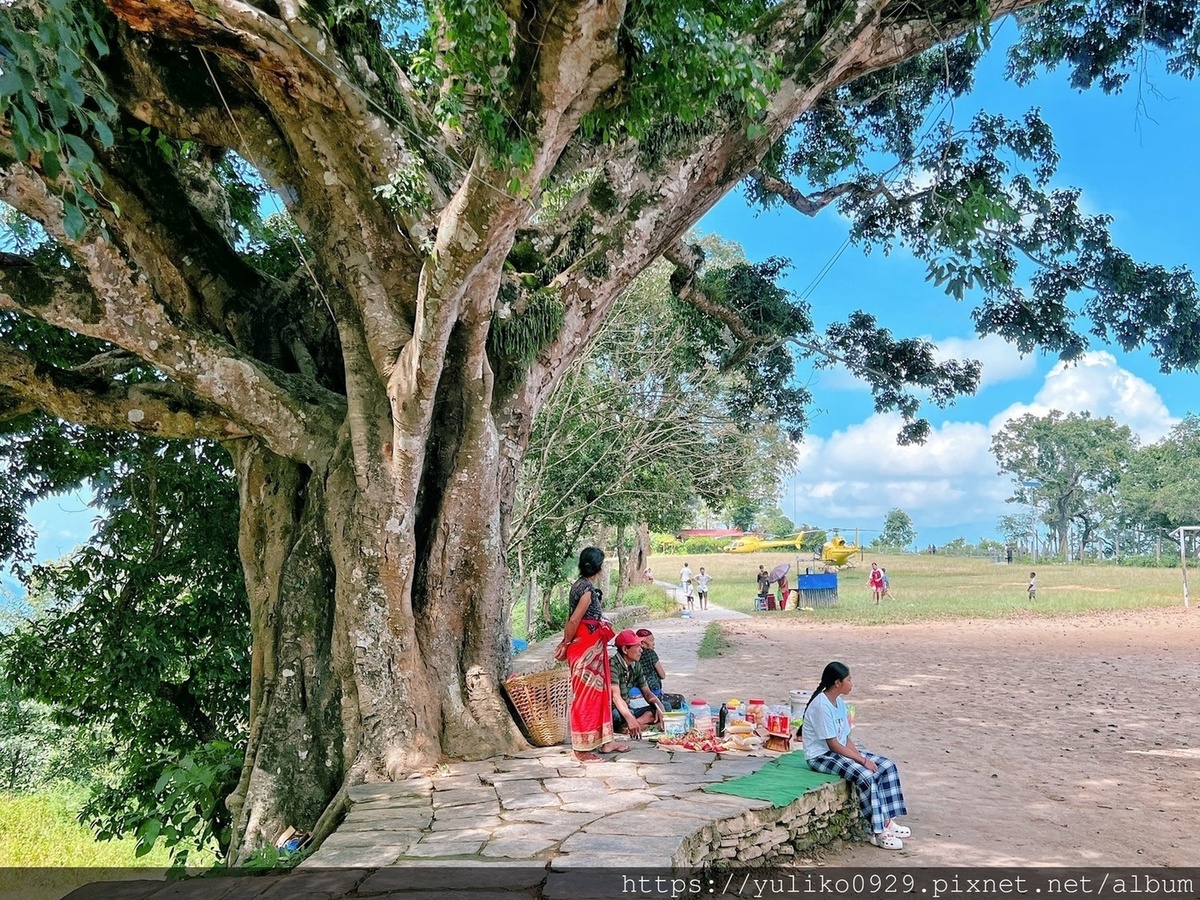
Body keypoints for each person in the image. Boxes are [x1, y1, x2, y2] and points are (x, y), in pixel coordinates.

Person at [802, 662, 910, 850]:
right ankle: (878, 832)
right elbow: (833, 744)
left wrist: (861, 756)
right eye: (849, 680)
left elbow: (845, 737)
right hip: (821, 756)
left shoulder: (840, 703)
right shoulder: (821, 706)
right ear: (837, 683)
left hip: (838, 750)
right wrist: (861, 761)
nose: (852, 683)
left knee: (887, 766)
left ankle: (887, 820)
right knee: (866, 776)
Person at [554, 547, 627, 761]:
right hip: (585, 648)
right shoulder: (585, 591)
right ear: (599, 568)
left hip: (592, 648)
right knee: (586, 695)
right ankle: (581, 748)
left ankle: (606, 741)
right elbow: (575, 620)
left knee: (601, 692)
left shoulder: (580, 586)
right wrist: (565, 644)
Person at [610, 629, 665, 736]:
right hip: (615, 709)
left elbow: (647, 693)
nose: (641, 650)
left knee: (665, 706)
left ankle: (634, 724)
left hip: (628, 709)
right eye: (637, 646)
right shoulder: (613, 665)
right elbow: (616, 697)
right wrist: (630, 718)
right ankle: (636, 723)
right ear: (625, 649)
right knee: (615, 716)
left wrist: (659, 706)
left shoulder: (636, 665)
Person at [635, 628, 684, 710]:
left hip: (635, 694)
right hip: (651, 694)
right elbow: (662, 675)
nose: (653, 643)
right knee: (680, 699)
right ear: (642, 643)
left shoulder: (632, 656)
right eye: (651, 641)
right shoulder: (650, 653)